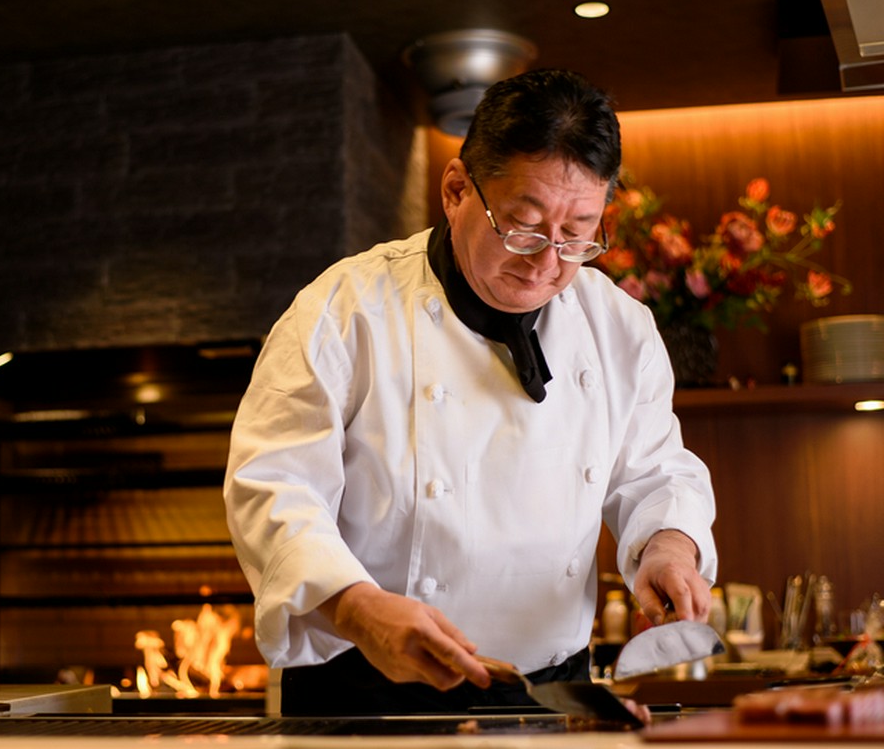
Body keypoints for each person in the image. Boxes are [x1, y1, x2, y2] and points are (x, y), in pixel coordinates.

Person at [223, 68, 717, 716]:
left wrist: (668, 548)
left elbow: (655, 473)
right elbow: (273, 485)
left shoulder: (620, 329)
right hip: (365, 701)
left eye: (577, 235)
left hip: (549, 698)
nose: (547, 262)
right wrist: (357, 606)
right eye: (523, 225)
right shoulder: (344, 311)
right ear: (457, 189)